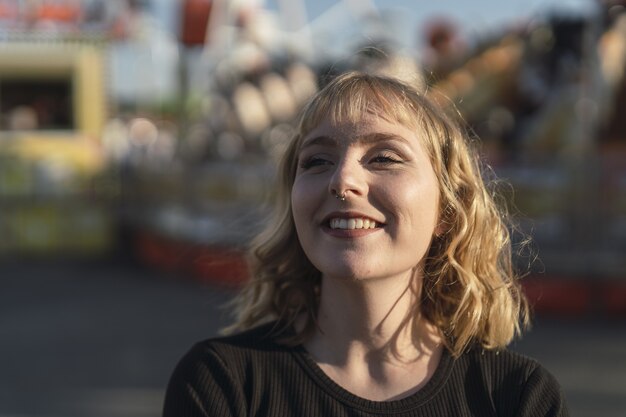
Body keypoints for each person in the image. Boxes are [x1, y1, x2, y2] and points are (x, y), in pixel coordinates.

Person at [163, 71, 569, 416]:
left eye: (384, 158)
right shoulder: (223, 384)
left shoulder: (517, 398)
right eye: (317, 161)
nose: (342, 181)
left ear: (447, 208)